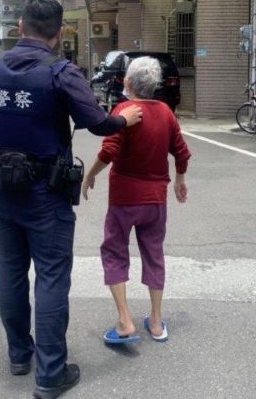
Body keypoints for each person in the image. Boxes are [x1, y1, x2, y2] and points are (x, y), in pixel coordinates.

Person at [0, 0, 143, 399]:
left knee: (9, 273)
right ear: (59, 32)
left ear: (19, 27)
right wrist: (125, 118)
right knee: (50, 277)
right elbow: (97, 122)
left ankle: (19, 355)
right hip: (44, 192)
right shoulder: (61, 72)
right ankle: (50, 374)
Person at [81, 56, 191, 345]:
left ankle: (125, 320)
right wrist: (179, 180)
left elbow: (109, 151)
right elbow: (181, 152)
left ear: (128, 83)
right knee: (153, 254)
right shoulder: (166, 112)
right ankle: (155, 322)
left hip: (124, 199)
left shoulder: (124, 110)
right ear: (155, 85)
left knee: (115, 251)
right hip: (155, 200)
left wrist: (89, 175)